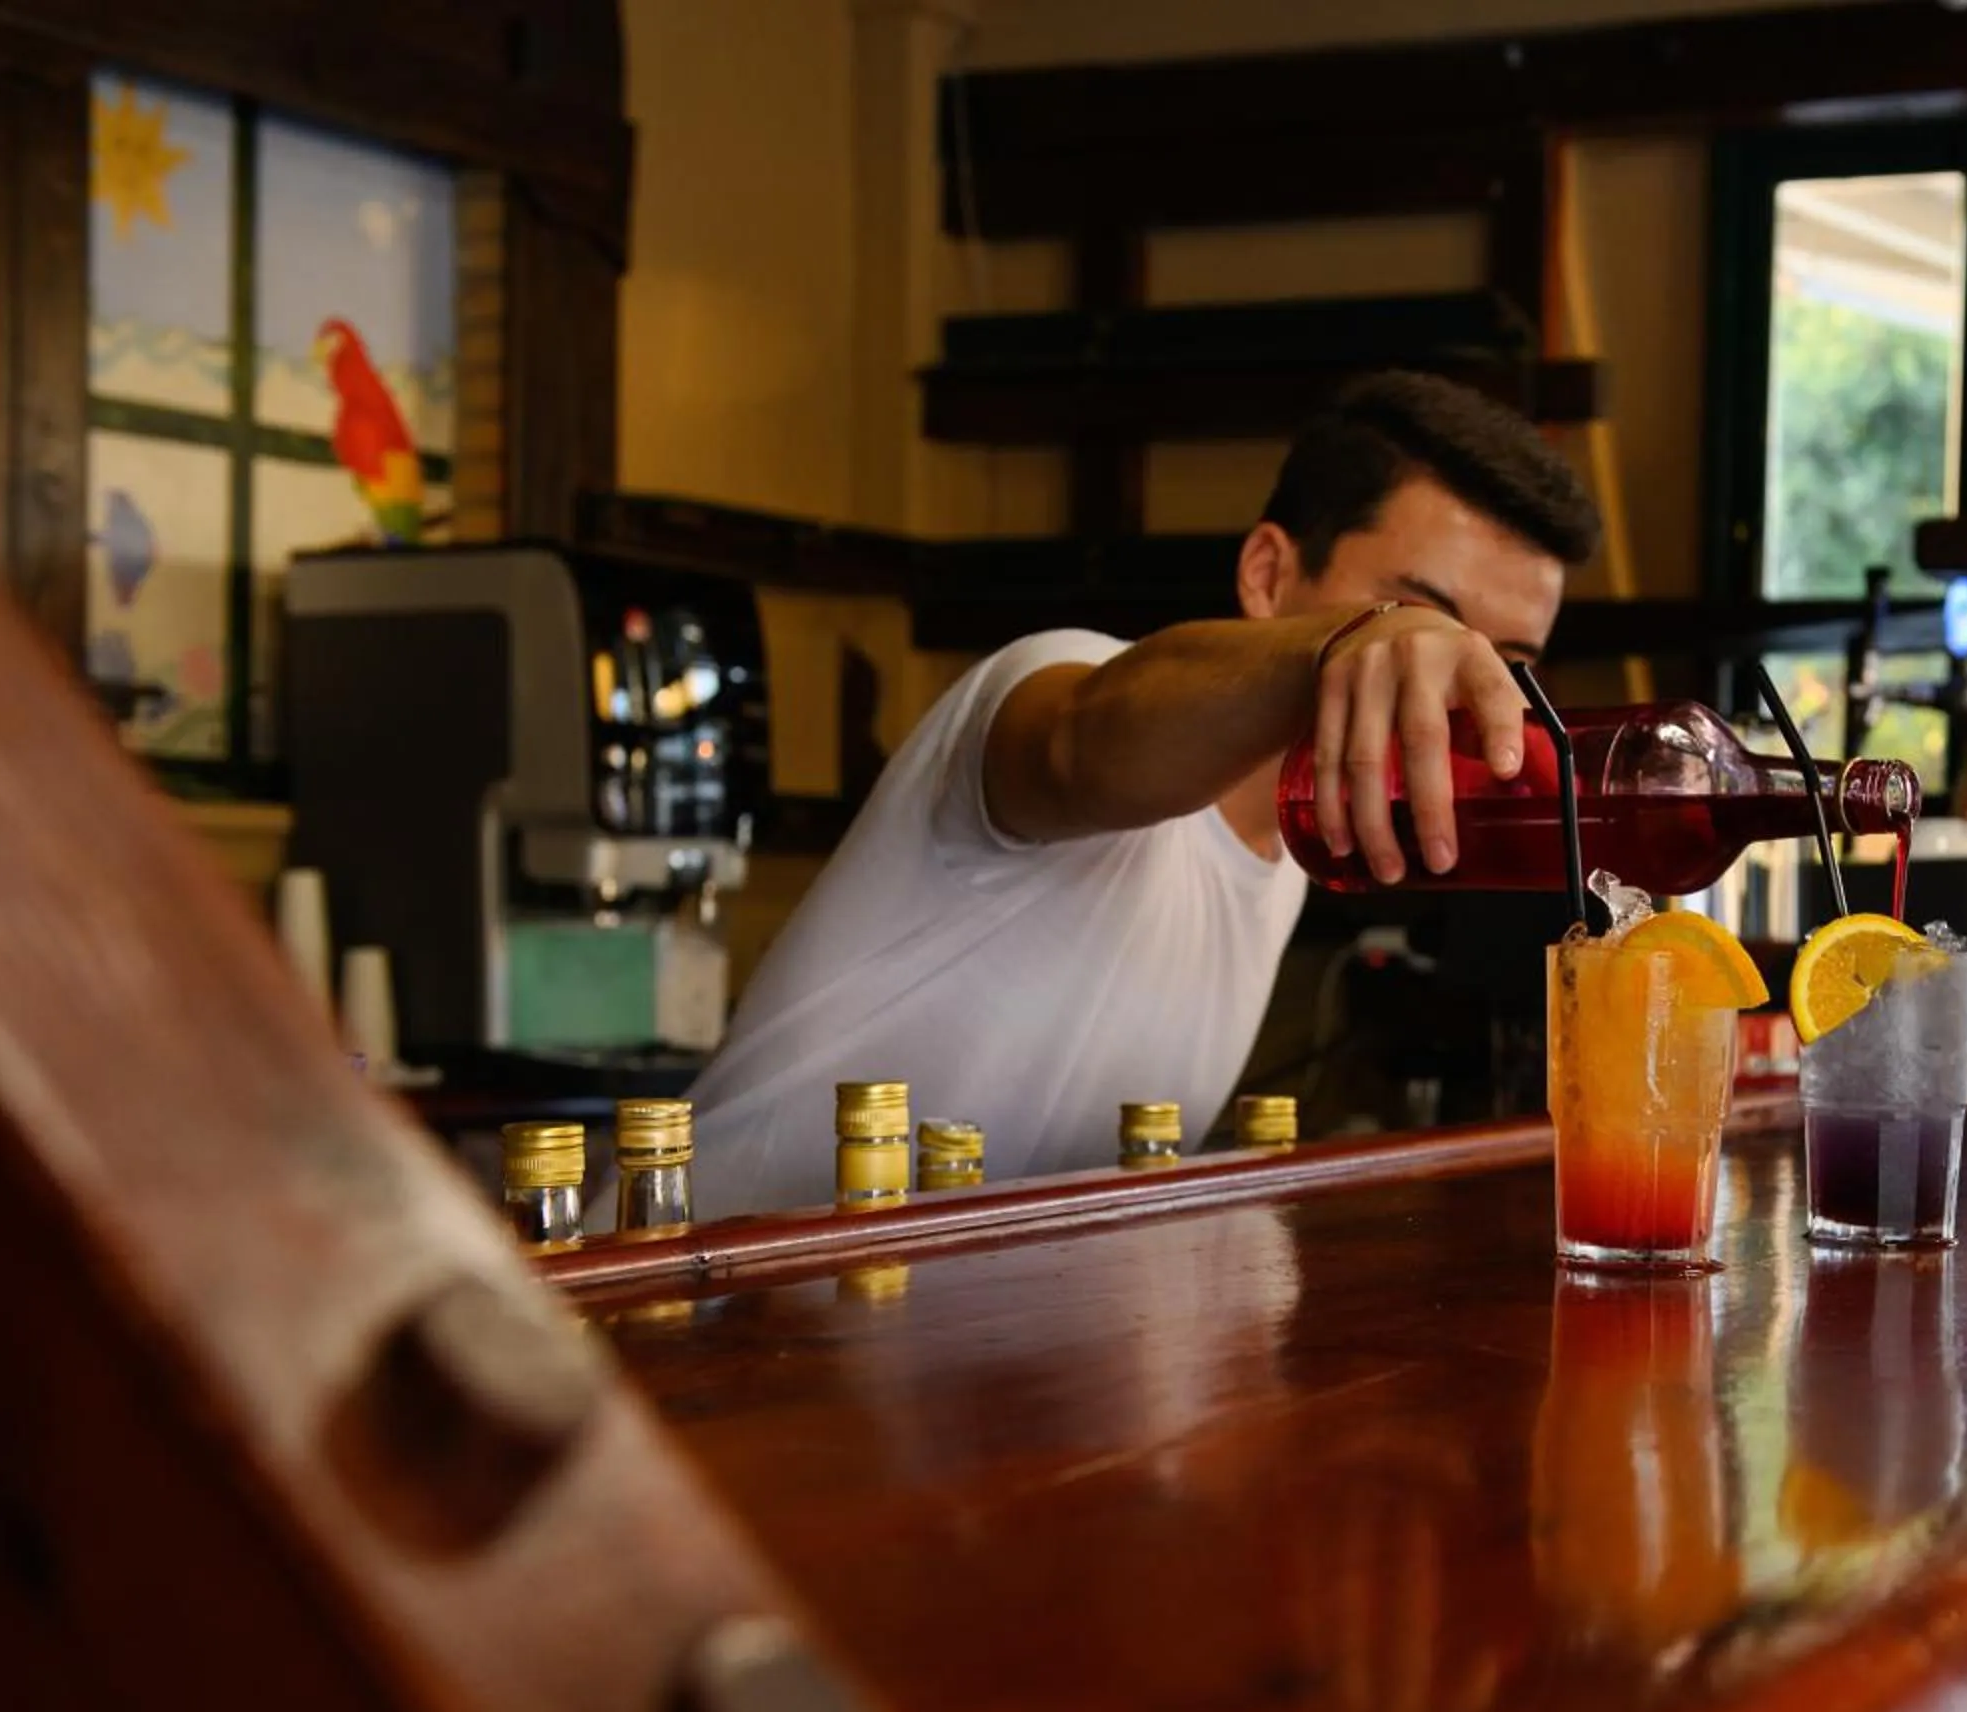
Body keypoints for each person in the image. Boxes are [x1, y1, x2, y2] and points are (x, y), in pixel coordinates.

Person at [686, 372, 1604, 1216]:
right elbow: (1086, 738)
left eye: (1504, 664)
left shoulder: (1290, 853)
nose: (1450, 680)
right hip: (671, 1315)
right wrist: (1348, 647)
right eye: (1419, 618)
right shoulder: (1057, 678)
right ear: (1267, 576)